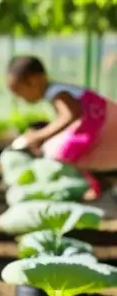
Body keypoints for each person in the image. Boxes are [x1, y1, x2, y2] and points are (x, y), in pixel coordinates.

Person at [7, 55, 117, 200]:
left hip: (101, 125)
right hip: (100, 126)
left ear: (32, 81)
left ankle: (91, 185)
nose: (22, 99)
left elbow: (70, 114)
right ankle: (101, 183)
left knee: (60, 152)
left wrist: (39, 135)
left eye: (19, 92)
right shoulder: (58, 91)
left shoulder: (57, 92)